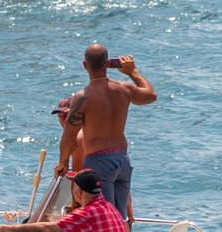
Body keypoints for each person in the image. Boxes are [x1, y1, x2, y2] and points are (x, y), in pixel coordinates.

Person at [60, 44, 157, 225]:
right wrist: (132, 72)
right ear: (107, 64)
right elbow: (151, 95)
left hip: (99, 163)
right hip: (122, 161)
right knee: (120, 220)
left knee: (104, 221)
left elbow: (69, 135)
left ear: (84, 65)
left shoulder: (83, 97)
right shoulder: (124, 89)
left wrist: (63, 162)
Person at [0, 168, 123, 232]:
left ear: (78, 190)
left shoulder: (85, 214)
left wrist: (9, 228)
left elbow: (48, 228)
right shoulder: (109, 208)